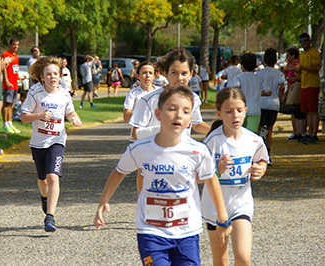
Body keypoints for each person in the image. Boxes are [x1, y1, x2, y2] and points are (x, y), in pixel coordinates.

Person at [94, 85, 231, 265]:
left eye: (185, 111)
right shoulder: (140, 148)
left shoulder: (198, 151)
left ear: (190, 118)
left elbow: (211, 178)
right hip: (151, 232)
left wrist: (222, 218)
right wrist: (103, 201)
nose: (178, 115)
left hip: (187, 232)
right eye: (172, 109)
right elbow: (119, 171)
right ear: (158, 114)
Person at [129, 47, 211, 196]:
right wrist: (163, 132)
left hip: (180, 158)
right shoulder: (150, 100)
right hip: (153, 158)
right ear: (166, 73)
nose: (179, 78)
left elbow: (197, 125)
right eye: (174, 73)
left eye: (184, 73)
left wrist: (218, 130)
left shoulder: (193, 99)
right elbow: (135, 134)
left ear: (191, 74)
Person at [201, 87, 269, 266]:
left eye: (239, 110)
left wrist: (260, 169)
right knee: (221, 261)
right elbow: (199, 177)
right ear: (219, 113)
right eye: (229, 111)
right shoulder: (212, 141)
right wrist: (216, 169)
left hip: (241, 204)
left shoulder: (254, 140)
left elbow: (262, 160)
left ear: (246, 111)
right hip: (214, 208)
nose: (235, 115)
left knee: (243, 258)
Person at [21, 56, 82, 232]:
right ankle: (44, 197)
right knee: (42, 180)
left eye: (56, 73)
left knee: (53, 177)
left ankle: (50, 217)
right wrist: (39, 116)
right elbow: (24, 117)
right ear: (42, 77)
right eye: (48, 74)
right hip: (38, 143)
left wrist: (74, 118)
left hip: (57, 141)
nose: (53, 77)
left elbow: (71, 112)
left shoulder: (64, 94)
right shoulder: (35, 93)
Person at [286, 33, 321, 144]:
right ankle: (309, 133)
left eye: (305, 40)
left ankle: (314, 133)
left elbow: (315, 69)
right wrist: (294, 69)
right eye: (301, 41)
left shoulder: (314, 53)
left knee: (313, 110)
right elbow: (301, 71)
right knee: (307, 111)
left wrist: (301, 67)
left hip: (312, 84)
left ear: (309, 41)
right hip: (304, 85)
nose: (304, 43)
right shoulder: (303, 55)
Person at [227, 53, 271, 133]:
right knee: (252, 134)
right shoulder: (259, 79)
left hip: (240, 110)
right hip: (255, 110)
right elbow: (268, 92)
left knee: (238, 133)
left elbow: (234, 90)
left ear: (242, 66)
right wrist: (257, 93)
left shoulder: (238, 78)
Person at [256, 48, 286, 165]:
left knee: (259, 128)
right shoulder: (279, 74)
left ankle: (259, 154)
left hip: (261, 103)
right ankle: (268, 155)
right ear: (276, 61)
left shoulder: (259, 74)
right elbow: (283, 86)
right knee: (270, 130)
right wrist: (281, 96)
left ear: (264, 60)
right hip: (273, 103)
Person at [284, 46, 306, 141]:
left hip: (297, 91)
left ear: (293, 56)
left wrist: (288, 78)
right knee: (293, 113)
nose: (287, 57)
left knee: (299, 113)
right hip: (291, 90)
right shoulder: (290, 65)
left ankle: (301, 133)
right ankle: (296, 132)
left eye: (288, 55)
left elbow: (298, 78)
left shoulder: (296, 65)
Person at [2, 38, 21, 133]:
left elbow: (15, 69)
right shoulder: (6, 54)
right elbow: (4, 68)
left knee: (11, 104)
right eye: (14, 44)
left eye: (17, 44)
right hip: (8, 84)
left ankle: (10, 122)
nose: (16, 46)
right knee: (6, 103)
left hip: (15, 84)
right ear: (10, 44)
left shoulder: (16, 56)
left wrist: (18, 78)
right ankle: (5, 123)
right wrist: (6, 80)